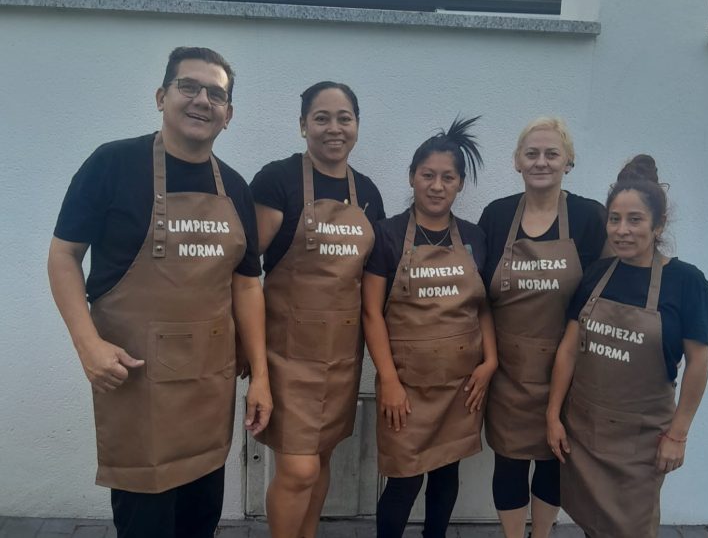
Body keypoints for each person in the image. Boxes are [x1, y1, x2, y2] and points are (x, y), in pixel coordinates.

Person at [47, 47, 272, 538]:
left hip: (209, 385)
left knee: (200, 521)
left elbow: (247, 283)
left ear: (228, 115)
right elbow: (63, 257)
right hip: (137, 382)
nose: (202, 100)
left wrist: (260, 375)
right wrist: (87, 345)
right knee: (146, 523)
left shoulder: (233, 187)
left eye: (216, 94)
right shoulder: (112, 164)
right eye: (188, 86)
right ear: (161, 96)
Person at [546, 155, 708, 538]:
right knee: (591, 522)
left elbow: (699, 361)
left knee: (632, 528)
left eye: (635, 220)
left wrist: (678, 434)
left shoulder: (686, 283)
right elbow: (569, 351)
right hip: (585, 432)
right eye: (615, 219)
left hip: (641, 442)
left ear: (659, 225)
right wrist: (553, 415)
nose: (622, 230)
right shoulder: (596, 276)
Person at [249, 81, 385, 538]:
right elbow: (245, 272)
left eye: (344, 118)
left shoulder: (367, 192)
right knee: (299, 470)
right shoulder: (277, 179)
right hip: (287, 355)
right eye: (321, 118)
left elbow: (372, 284)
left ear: (357, 125)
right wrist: (252, 361)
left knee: (322, 457)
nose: (334, 128)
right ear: (303, 125)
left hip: (343, 356)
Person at [362, 116, 498, 538]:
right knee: (404, 480)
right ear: (412, 177)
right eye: (428, 175)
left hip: (460, 385)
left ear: (459, 185)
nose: (437, 186)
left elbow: (483, 308)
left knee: (446, 474)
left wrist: (490, 362)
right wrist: (387, 380)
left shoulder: (475, 237)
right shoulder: (386, 235)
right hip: (407, 385)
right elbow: (371, 314)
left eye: (448, 177)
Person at [478, 117, 606, 538]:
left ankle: (543, 534)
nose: (541, 162)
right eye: (532, 153)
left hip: (567, 368)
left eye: (552, 154)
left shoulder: (590, 217)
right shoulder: (496, 216)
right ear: (517, 161)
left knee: (555, 460)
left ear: (568, 161)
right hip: (509, 370)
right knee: (510, 462)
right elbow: (479, 295)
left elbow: (604, 294)